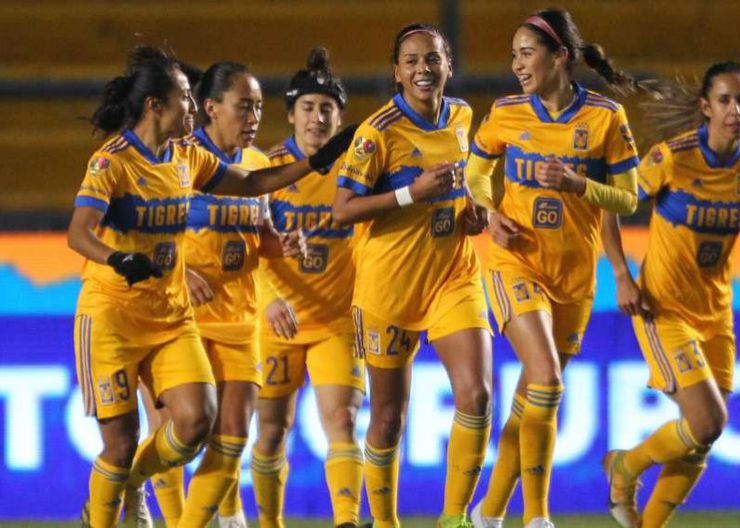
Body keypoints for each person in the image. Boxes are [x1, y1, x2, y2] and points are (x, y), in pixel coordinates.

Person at [68, 45, 354, 528]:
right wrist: (117, 258)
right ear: (154, 105)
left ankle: (135, 483)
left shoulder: (187, 157)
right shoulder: (111, 162)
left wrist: (316, 162)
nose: (192, 105)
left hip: (172, 317)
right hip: (114, 316)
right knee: (120, 444)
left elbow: (251, 184)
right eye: (184, 96)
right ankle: (114, 499)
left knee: (199, 424)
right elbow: (79, 232)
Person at [602, 61, 740, 528]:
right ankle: (625, 466)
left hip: (716, 312)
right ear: (706, 107)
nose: (736, 109)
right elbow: (610, 206)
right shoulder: (673, 157)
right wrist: (622, 275)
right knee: (709, 421)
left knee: (703, 436)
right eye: (725, 100)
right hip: (663, 307)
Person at [465, 8, 643, 528]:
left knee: (532, 398)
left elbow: (629, 199)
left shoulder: (606, 118)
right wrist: (489, 215)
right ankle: (537, 517)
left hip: (575, 277)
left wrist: (577, 184)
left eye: (527, 53)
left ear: (560, 56)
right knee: (546, 379)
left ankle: (488, 514)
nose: (517, 65)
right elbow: (475, 175)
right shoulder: (506, 113)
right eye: (514, 56)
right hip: (515, 262)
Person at [333, 23, 492, 528]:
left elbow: (466, 184)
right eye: (412, 61)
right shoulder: (377, 132)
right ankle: (385, 522)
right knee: (387, 418)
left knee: (477, 395)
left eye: (432, 59)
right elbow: (342, 209)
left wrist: (473, 210)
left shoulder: (462, 115)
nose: (423, 68)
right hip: (390, 288)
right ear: (397, 72)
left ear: (448, 65)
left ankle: (455, 517)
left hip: (452, 275)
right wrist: (411, 193)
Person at [251, 47, 366, 528]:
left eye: (327, 109)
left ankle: (346, 521)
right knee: (272, 431)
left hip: (336, 322)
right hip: (277, 323)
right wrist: (269, 300)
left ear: (339, 117)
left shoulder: (356, 170)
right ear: (291, 114)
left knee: (342, 422)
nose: (317, 117)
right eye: (308, 107)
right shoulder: (268, 170)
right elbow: (246, 243)